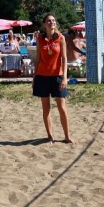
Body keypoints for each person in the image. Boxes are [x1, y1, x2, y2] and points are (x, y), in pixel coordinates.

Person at [32, 14, 71, 144]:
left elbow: (64, 59)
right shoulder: (40, 39)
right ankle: (50, 136)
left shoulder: (60, 38)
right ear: (44, 24)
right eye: (49, 21)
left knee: (62, 107)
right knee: (46, 108)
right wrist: (34, 77)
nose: (51, 22)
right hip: (42, 76)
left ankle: (67, 136)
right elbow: (38, 59)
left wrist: (65, 77)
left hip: (57, 76)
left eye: (53, 20)